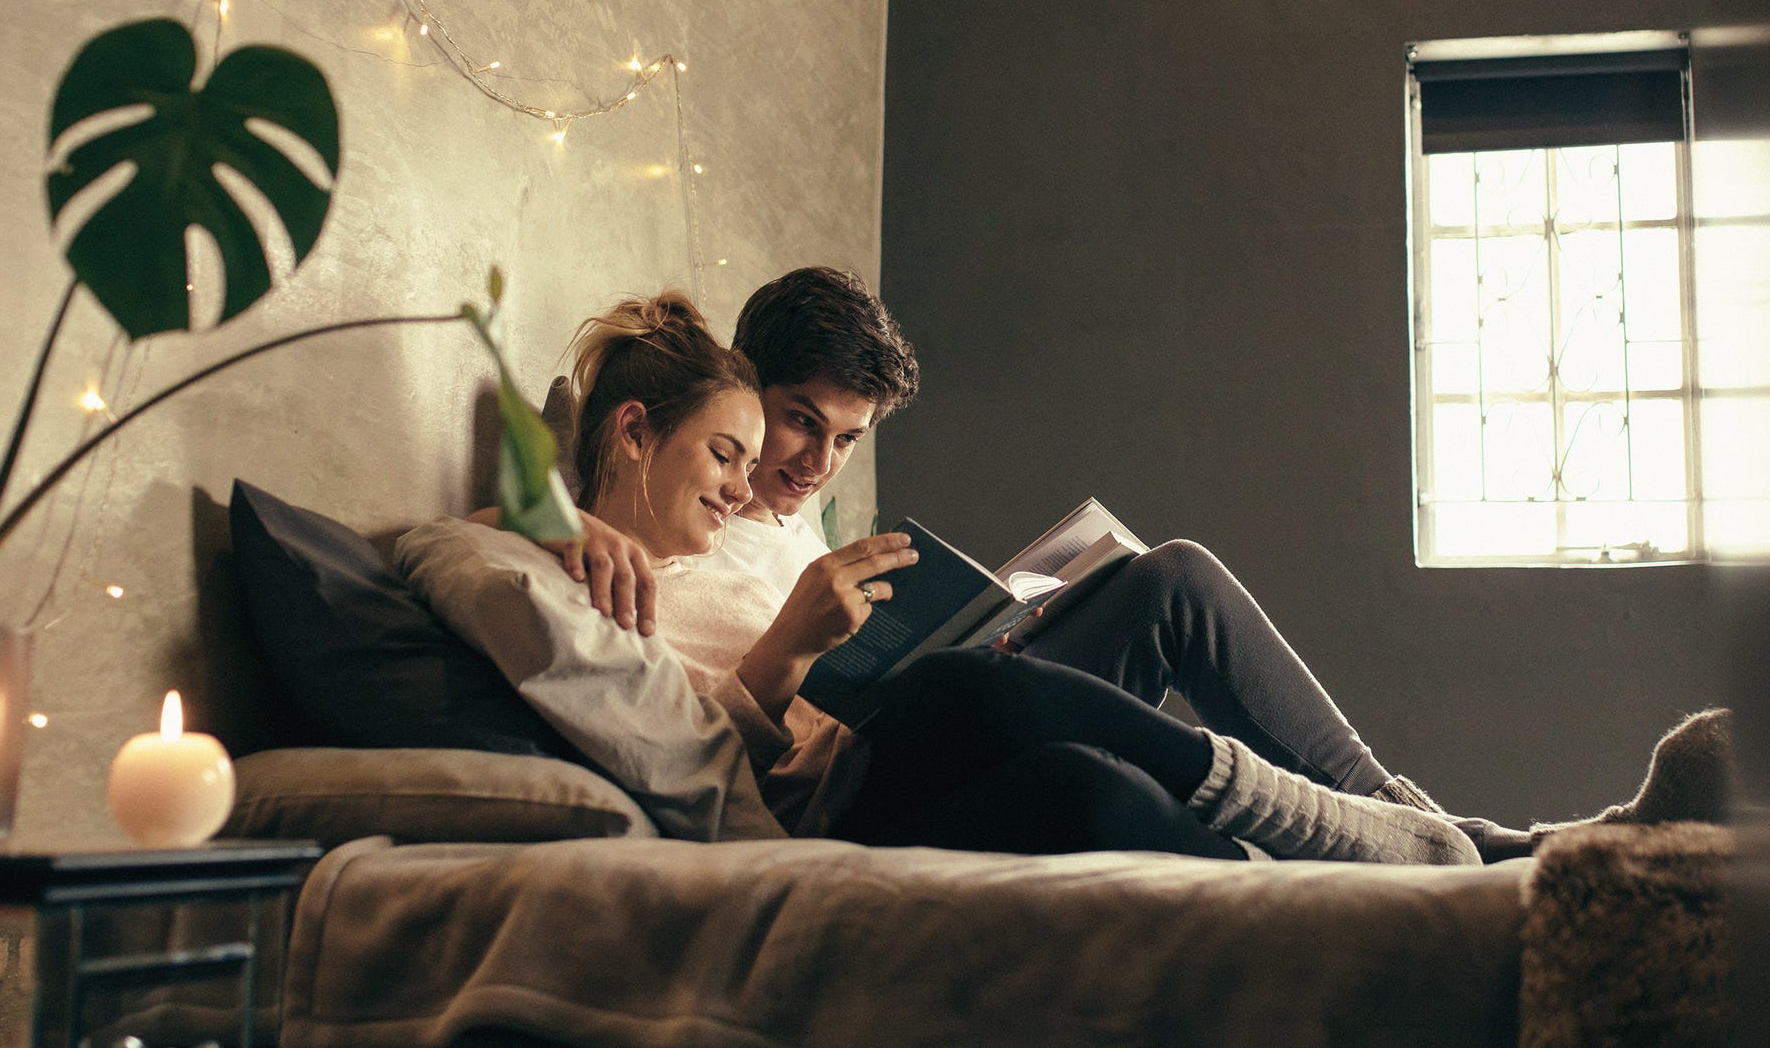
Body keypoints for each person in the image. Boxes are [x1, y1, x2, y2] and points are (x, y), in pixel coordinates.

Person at [541, 269, 1731, 861]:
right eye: (792, 424)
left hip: (899, 729)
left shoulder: (764, 513)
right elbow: (665, 721)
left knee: (1170, 580)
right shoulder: (620, 534)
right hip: (853, 782)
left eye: (845, 440)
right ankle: (1434, 850)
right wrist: (776, 636)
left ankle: (1420, 824)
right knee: (986, 711)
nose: (801, 463)